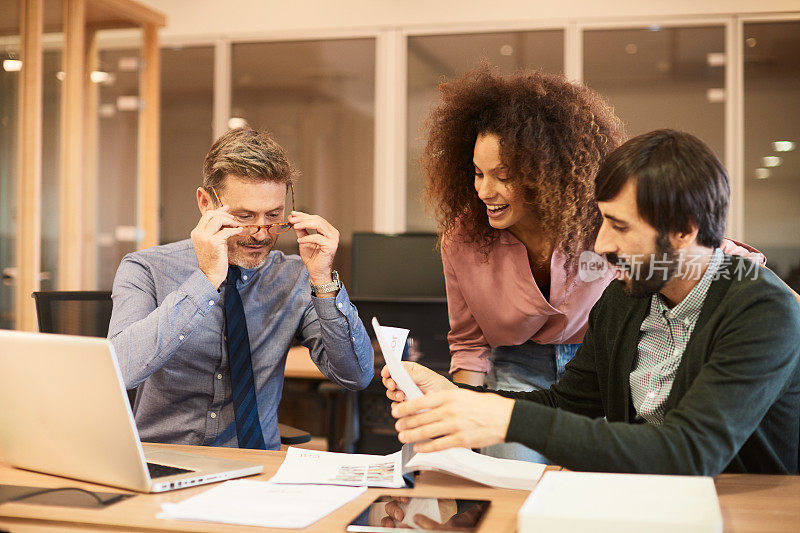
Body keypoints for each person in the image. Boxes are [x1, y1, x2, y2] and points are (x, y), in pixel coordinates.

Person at [385, 129, 800, 475]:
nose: (602, 245)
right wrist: (459, 396)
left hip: (740, 510)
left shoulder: (762, 309)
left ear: (683, 231)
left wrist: (506, 419)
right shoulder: (625, 301)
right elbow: (565, 403)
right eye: (603, 222)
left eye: (620, 226)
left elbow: (691, 452)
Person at [421, 65, 763, 462]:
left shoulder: (601, 219)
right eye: (477, 174)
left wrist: (759, 288)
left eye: (503, 175)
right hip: (525, 365)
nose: (483, 190)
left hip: (602, 360)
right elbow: (473, 348)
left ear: (545, 173)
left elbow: (703, 248)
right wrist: (460, 412)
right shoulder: (466, 241)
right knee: (513, 481)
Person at [108, 127, 374, 450]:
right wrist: (205, 281)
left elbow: (356, 375)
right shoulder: (145, 268)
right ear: (206, 203)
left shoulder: (294, 278)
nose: (261, 234)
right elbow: (117, 371)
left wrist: (323, 280)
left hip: (257, 470)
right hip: (166, 463)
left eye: (273, 216)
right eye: (245, 217)